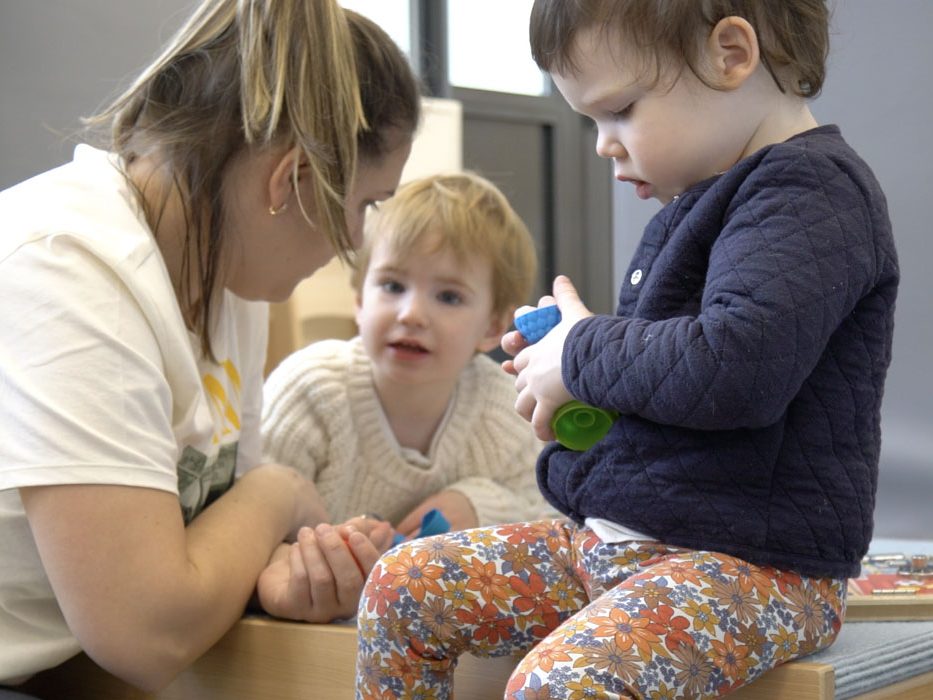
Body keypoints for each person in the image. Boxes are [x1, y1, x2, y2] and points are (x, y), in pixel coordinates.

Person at [355, 1, 899, 698]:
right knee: (402, 584)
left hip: (757, 569)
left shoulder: (812, 192)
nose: (602, 144)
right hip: (622, 543)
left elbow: (734, 366)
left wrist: (582, 349)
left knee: (561, 685)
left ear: (730, 54)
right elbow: (676, 386)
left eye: (618, 111)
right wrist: (576, 388)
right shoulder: (703, 202)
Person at [0, 1, 419, 693]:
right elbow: (147, 630)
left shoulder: (226, 272)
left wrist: (280, 581)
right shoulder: (64, 266)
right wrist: (279, 492)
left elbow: (207, 553)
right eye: (367, 204)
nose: (357, 238)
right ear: (289, 184)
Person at [258, 171, 552, 624]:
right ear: (358, 300)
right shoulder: (311, 391)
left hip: (436, 643)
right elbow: (248, 523)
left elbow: (551, 526)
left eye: (449, 296)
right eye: (392, 286)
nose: (411, 313)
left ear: (493, 326)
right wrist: (313, 559)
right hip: (306, 636)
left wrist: (477, 507)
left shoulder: (505, 410)